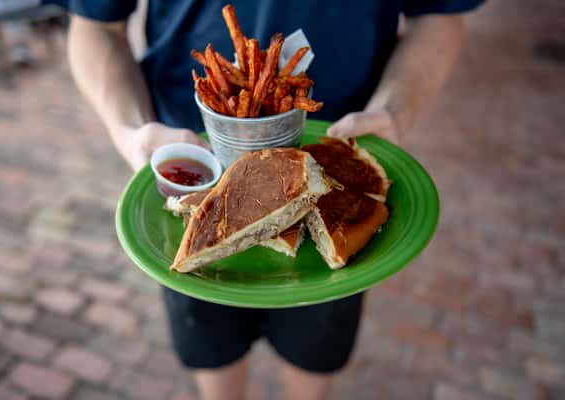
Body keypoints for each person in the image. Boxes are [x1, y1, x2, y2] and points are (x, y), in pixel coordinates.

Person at [66, 1, 484, 399]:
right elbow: (96, 23)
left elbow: (437, 15)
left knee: (316, 354)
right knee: (210, 351)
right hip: (197, 176)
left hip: (338, 160)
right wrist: (130, 132)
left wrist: (395, 111)